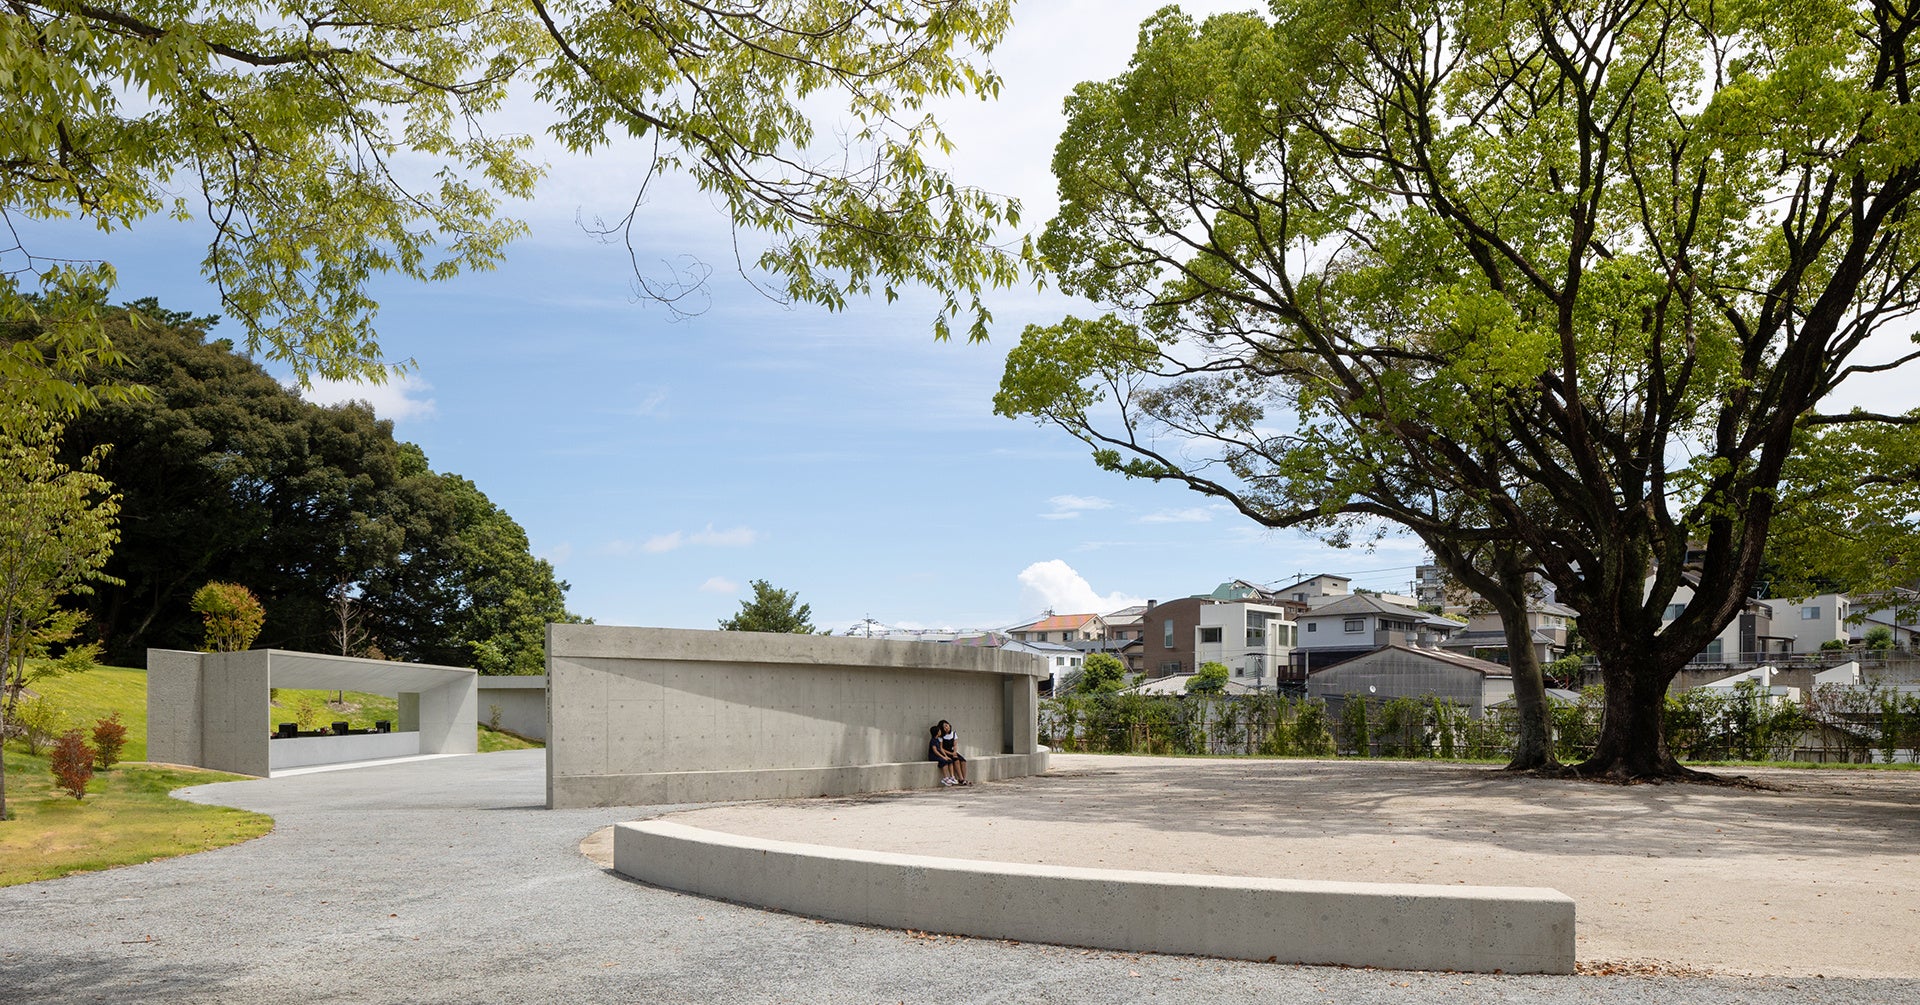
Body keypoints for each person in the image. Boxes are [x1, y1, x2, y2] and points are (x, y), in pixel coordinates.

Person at [938, 719, 968, 786]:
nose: (946, 728)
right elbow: (941, 748)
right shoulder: (941, 736)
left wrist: (954, 752)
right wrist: (951, 754)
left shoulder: (953, 734)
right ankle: (961, 779)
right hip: (946, 753)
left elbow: (955, 745)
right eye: (944, 727)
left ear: (949, 725)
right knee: (956, 761)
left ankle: (964, 778)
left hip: (953, 752)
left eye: (946, 725)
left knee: (963, 761)